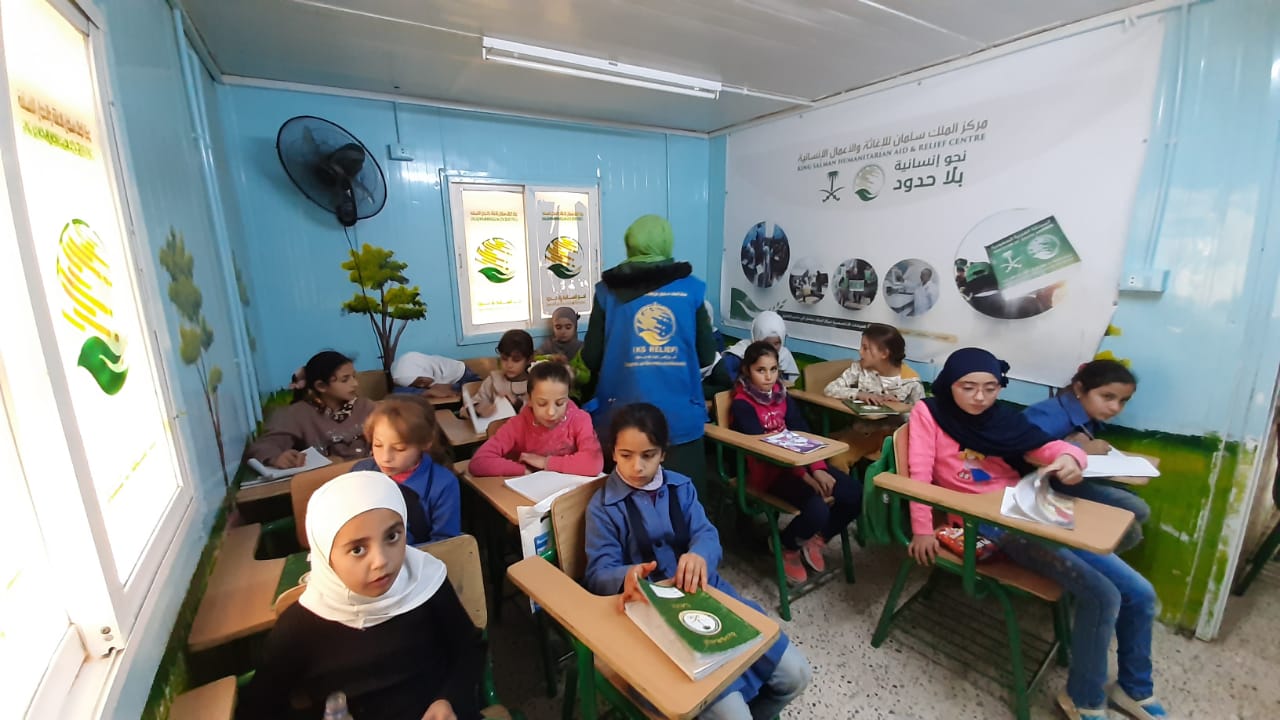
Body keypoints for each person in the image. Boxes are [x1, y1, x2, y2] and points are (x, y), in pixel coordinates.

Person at [905, 348, 1167, 720]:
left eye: (990, 388)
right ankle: (1083, 699)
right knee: (1103, 594)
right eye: (968, 387)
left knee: (1140, 593)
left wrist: (1071, 458)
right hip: (984, 520)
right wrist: (921, 530)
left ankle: (1134, 688)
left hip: (1030, 504)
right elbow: (918, 475)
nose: (980, 398)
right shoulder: (929, 412)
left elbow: (1048, 446)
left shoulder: (1001, 419)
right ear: (949, 384)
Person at [584, 404, 811, 719]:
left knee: (796, 675)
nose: (637, 466)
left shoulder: (681, 487)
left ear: (663, 453)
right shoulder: (603, 508)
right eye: (626, 455)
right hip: (649, 617)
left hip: (705, 595)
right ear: (613, 453)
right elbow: (598, 574)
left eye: (648, 455)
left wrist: (699, 555)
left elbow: (706, 534)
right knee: (733, 714)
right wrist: (628, 576)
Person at [236, 471, 485, 720]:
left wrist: (448, 700)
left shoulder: (425, 582)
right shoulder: (299, 627)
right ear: (325, 556)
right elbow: (260, 708)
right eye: (357, 549)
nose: (381, 561)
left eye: (392, 537)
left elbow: (469, 649)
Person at [580, 214, 717, 488]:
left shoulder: (607, 291)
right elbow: (706, 356)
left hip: (623, 420)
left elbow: (591, 357)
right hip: (680, 420)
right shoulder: (691, 289)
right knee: (683, 502)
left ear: (630, 244)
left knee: (625, 503)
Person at [729, 342, 861, 583]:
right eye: (760, 370)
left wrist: (818, 468)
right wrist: (806, 475)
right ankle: (787, 545)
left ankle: (816, 539)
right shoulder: (742, 404)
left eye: (773, 369)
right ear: (747, 370)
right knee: (818, 509)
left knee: (855, 494)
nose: (768, 377)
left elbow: (802, 432)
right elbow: (765, 451)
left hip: (800, 463)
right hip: (769, 472)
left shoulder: (782, 395)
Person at [1024, 359, 1149, 552]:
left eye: (1123, 401)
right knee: (1133, 517)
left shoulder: (1085, 411)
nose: (1115, 408)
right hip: (1033, 484)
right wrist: (1081, 449)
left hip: (1063, 479)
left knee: (1135, 508)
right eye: (1107, 397)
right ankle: (1074, 551)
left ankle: (1085, 550)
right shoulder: (1050, 416)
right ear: (1079, 389)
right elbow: (1025, 452)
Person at [353, 395, 460, 544]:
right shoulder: (361, 474)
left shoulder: (443, 483)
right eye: (378, 445)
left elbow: (446, 543)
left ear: (425, 443)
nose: (385, 457)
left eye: (399, 448)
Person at [468, 361, 603, 477]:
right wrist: (522, 470)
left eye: (560, 403)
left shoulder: (579, 419)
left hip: (568, 494)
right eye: (542, 404)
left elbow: (594, 463)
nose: (551, 412)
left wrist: (545, 462)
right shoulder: (518, 425)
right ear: (530, 400)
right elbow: (479, 462)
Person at [246, 351, 374, 468]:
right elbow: (263, 446)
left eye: (354, 377)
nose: (355, 384)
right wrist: (276, 458)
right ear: (321, 386)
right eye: (345, 380)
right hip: (325, 479)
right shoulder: (297, 414)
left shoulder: (366, 407)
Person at [705, 310, 800, 398]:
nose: (772, 348)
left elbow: (785, 381)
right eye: (766, 343)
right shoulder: (739, 353)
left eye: (776, 343)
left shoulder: (783, 355)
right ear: (757, 338)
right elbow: (724, 380)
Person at [823, 323, 924, 404]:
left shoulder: (911, 382)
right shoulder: (858, 369)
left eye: (865, 348)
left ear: (884, 353)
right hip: (862, 424)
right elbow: (830, 389)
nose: (860, 352)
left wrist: (898, 406)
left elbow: (922, 416)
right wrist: (859, 394)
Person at [465, 330, 534, 419]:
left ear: (529, 359)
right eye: (504, 358)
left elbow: (539, 412)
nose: (509, 365)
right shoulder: (493, 380)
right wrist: (478, 408)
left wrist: (517, 404)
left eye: (516, 360)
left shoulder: (537, 383)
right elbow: (470, 405)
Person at [390, 352, 479, 397]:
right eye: (414, 385)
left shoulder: (457, 371)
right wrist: (425, 392)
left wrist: (457, 390)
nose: (421, 386)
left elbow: (476, 388)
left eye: (421, 381)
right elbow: (396, 393)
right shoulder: (420, 377)